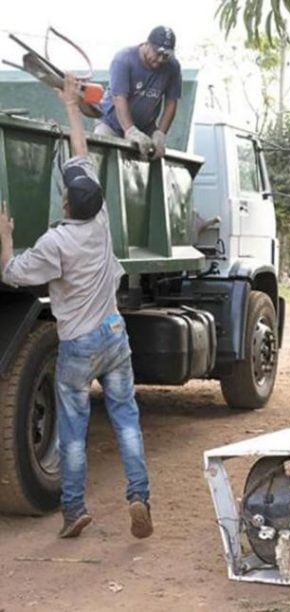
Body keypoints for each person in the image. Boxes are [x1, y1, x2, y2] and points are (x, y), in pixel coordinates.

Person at [0, 74, 153, 540]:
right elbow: (82, 155)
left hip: (79, 345)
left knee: (73, 430)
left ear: (65, 202)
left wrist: (5, 238)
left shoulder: (55, 243)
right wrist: (70, 105)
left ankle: (73, 511)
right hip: (114, 334)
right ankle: (139, 496)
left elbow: (11, 274)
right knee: (126, 418)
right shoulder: (101, 220)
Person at [95, 25, 181, 160]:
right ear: (147, 44)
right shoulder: (124, 59)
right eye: (157, 53)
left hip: (145, 131)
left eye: (165, 56)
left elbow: (171, 102)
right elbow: (119, 97)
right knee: (101, 159)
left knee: (143, 172)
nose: (160, 60)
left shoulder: (172, 67)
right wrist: (130, 130)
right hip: (111, 125)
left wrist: (160, 134)